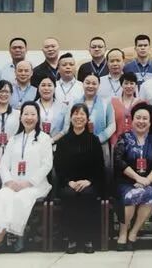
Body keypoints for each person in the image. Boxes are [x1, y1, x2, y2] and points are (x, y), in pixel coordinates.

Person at [0, 101, 52, 254]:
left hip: (35, 185)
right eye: (26, 114)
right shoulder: (14, 139)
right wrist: (9, 181)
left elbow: (47, 165)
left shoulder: (44, 138)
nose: (29, 117)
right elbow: (4, 164)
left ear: (38, 117)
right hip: (13, 184)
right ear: (21, 117)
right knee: (2, 196)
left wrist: (28, 182)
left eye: (33, 114)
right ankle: (18, 235)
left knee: (20, 198)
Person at [54, 103, 106, 254]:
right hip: (68, 183)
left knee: (87, 194)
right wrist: (69, 182)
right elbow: (59, 166)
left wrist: (89, 181)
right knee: (69, 195)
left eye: (82, 114)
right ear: (70, 118)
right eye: (76, 114)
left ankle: (88, 238)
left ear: (87, 118)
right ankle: (72, 238)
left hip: (89, 182)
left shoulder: (94, 140)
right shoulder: (63, 141)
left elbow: (99, 166)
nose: (79, 117)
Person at [113, 104, 152, 250]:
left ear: (150, 122)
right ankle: (123, 232)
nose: (141, 121)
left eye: (145, 118)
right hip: (126, 181)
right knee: (130, 195)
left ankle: (133, 233)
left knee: (150, 195)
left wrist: (147, 181)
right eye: (138, 118)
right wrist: (137, 178)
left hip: (148, 182)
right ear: (132, 120)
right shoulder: (124, 138)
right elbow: (118, 161)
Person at [66, 74, 115, 164]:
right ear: (83, 84)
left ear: (99, 85)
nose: (90, 86)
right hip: (77, 144)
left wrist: (98, 139)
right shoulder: (74, 103)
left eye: (94, 83)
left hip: (100, 144)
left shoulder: (106, 103)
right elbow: (68, 124)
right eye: (87, 83)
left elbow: (112, 125)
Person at [110, 72, 146, 146]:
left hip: (136, 143)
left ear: (136, 85)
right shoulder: (113, 102)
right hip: (117, 143)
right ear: (121, 85)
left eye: (132, 83)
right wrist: (113, 142)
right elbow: (110, 124)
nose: (129, 86)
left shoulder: (142, 103)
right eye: (126, 83)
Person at [35, 76, 64, 141]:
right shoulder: (32, 106)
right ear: (38, 88)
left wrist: (52, 140)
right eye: (43, 85)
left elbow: (65, 129)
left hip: (57, 143)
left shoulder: (63, 106)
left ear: (55, 87)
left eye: (49, 85)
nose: (46, 88)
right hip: (36, 143)